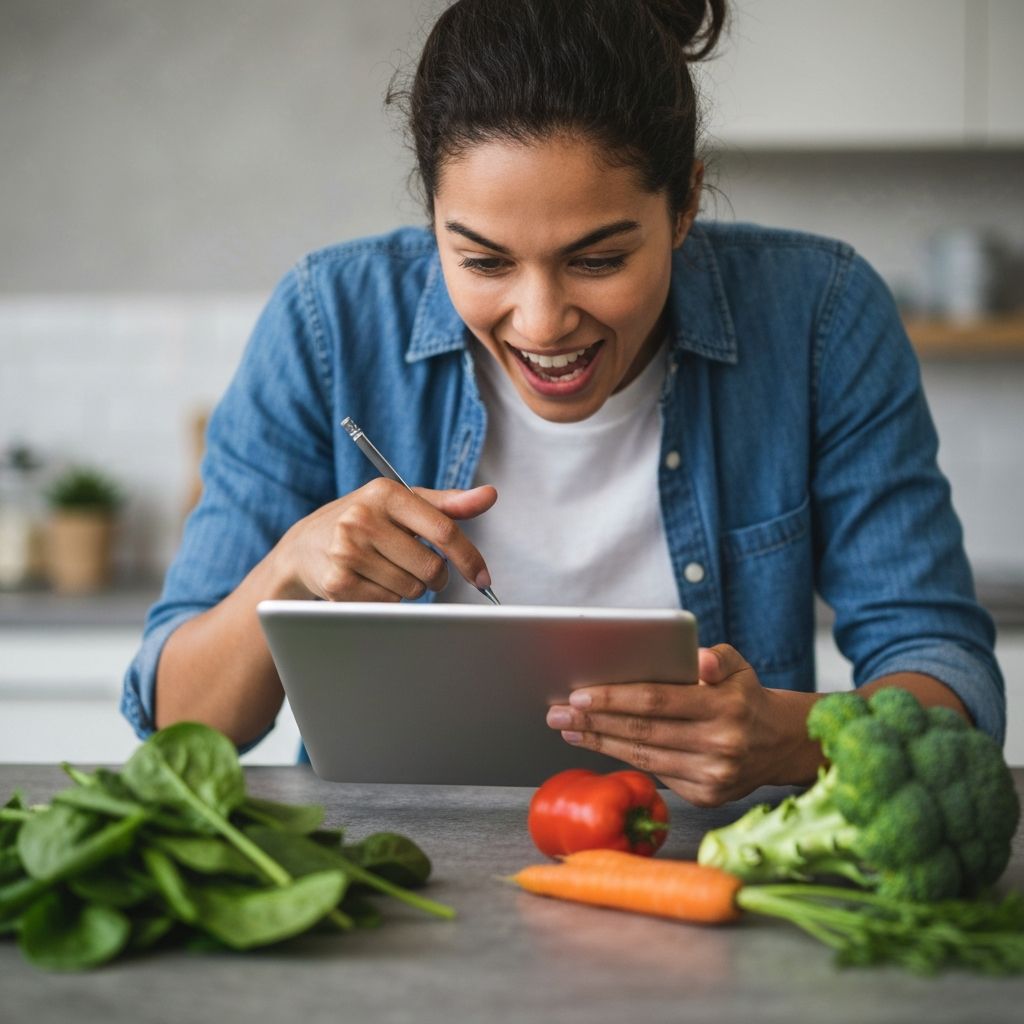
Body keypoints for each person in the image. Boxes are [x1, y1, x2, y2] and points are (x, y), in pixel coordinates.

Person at [121, 0, 1004, 807]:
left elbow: (946, 676)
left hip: (706, 878)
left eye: (598, 260)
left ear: (686, 203)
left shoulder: (820, 314)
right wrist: (289, 573)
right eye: (483, 261)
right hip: (395, 885)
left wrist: (796, 741)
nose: (542, 322)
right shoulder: (327, 321)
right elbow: (176, 725)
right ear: (434, 217)